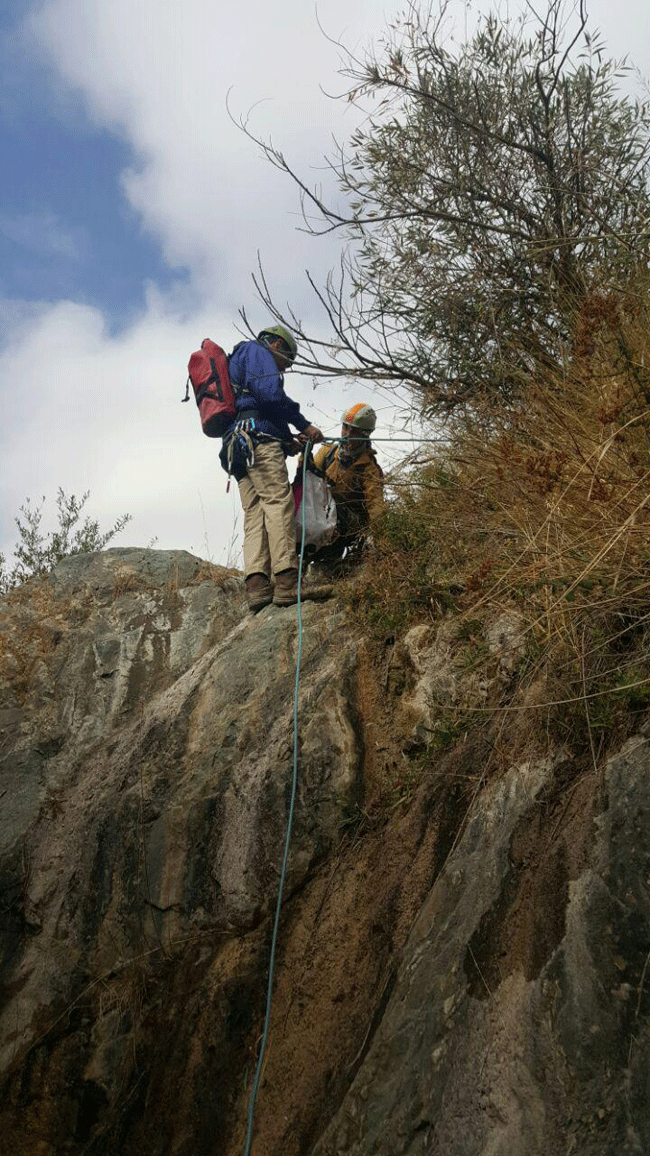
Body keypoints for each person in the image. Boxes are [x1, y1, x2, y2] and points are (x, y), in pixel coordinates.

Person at [220, 324, 323, 611]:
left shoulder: (238, 359)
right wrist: (304, 424)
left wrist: (287, 441)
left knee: (255, 512)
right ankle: (288, 581)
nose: (286, 369)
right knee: (278, 503)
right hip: (258, 441)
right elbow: (269, 395)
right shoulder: (258, 351)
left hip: (238, 447)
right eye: (286, 361)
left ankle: (256, 586)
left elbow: (254, 406)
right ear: (276, 345)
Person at [309, 403, 384, 569]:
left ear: (365, 435)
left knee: (337, 513)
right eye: (345, 427)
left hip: (347, 523)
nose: (347, 434)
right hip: (322, 512)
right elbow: (306, 478)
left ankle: (329, 559)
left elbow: (376, 507)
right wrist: (304, 453)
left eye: (354, 431)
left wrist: (381, 542)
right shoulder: (328, 452)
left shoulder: (369, 469)